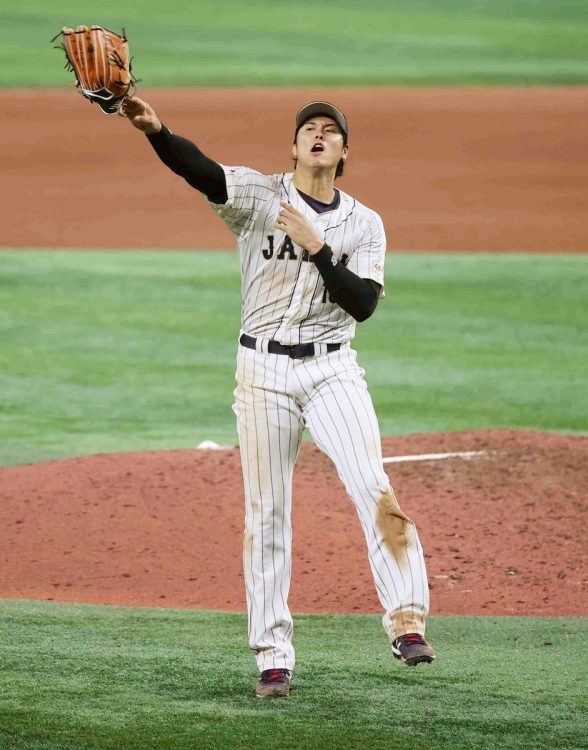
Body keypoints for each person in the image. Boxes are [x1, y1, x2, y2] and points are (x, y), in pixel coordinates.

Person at [120, 96, 436, 698]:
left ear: (343, 153)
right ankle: (273, 656)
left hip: (332, 370)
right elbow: (200, 170)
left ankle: (407, 620)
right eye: (308, 130)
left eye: (330, 132)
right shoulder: (260, 198)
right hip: (261, 372)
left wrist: (317, 247)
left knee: (372, 484)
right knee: (266, 512)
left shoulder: (364, 224)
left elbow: (363, 305)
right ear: (293, 147)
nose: (318, 136)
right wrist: (155, 129)